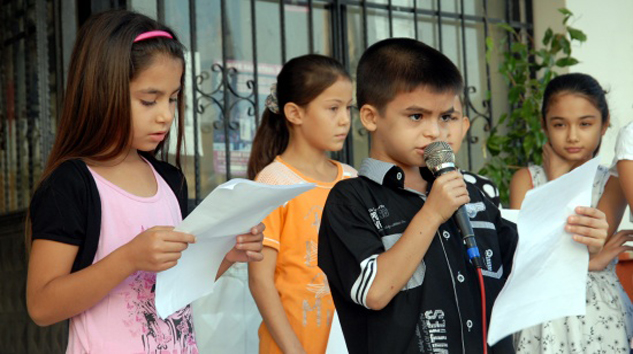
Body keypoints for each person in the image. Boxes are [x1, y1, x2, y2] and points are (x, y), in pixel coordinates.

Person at [317, 38, 608, 354]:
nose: (434, 132)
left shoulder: (471, 195)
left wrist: (583, 243)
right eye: (417, 116)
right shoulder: (350, 200)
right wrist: (431, 214)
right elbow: (374, 292)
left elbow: (527, 266)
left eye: (444, 117)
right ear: (372, 117)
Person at [25, 10, 264, 354]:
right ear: (102, 91)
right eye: (149, 100)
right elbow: (42, 306)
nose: (166, 114)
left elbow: (173, 287)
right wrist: (128, 258)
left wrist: (229, 254)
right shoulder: (71, 185)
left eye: (172, 98)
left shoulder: (170, 181)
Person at [510, 73, 632, 353]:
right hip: (542, 313)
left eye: (585, 124)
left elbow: (587, 245)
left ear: (605, 124)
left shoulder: (612, 182)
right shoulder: (526, 180)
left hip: (600, 310)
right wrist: (555, 179)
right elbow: (527, 255)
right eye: (559, 124)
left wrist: (589, 258)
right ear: (544, 125)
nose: (573, 135)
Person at [247, 54, 357, 354]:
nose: (345, 119)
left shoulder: (352, 179)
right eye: (333, 108)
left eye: (348, 108)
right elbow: (260, 281)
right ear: (295, 113)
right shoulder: (275, 182)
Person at [447, 95, 501, 207]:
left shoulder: (484, 189)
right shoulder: (402, 195)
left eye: (448, 118)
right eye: (418, 117)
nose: (437, 130)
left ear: (464, 126)